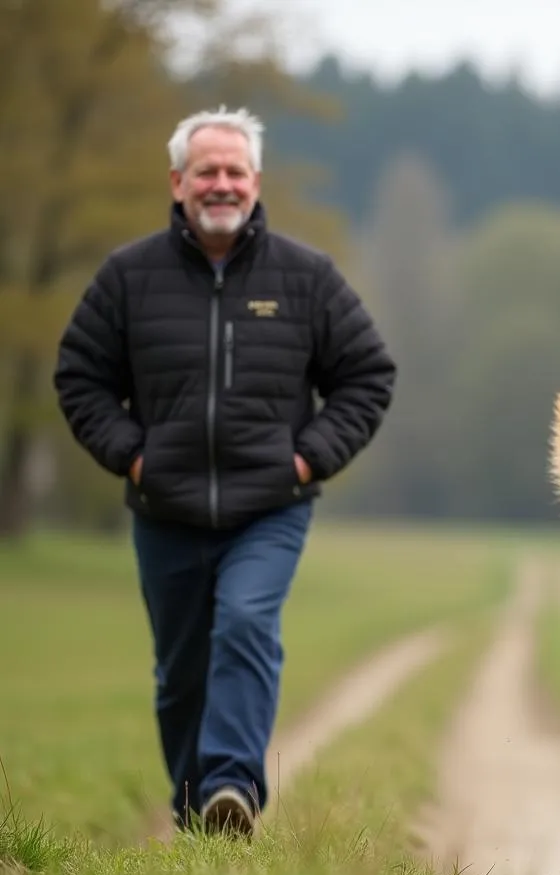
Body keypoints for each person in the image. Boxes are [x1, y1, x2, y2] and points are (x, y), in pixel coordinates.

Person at [53, 106, 396, 836]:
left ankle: (231, 786)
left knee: (245, 624)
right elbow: (79, 377)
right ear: (177, 183)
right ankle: (196, 808)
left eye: (234, 171)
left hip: (270, 504)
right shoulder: (126, 277)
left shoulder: (306, 278)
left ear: (255, 182)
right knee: (179, 674)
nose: (221, 184)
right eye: (206, 172)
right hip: (164, 506)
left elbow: (368, 375)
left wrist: (306, 456)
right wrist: (133, 455)